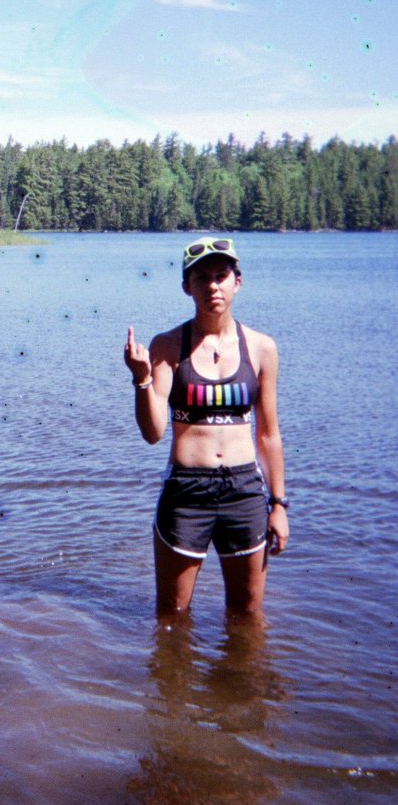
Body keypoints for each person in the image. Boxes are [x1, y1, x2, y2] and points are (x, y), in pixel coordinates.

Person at [124, 236, 289, 616]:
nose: (213, 285)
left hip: (244, 491)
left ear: (238, 281)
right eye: (201, 278)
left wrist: (278, 505)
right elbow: (153, 433)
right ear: (187, 287)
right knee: (173, 616)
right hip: (186, 492)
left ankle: (243, 678)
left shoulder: (262, 348)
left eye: (221, 275)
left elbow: (268, 434)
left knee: (247, 618)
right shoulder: (167, 346)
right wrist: (141, 380)